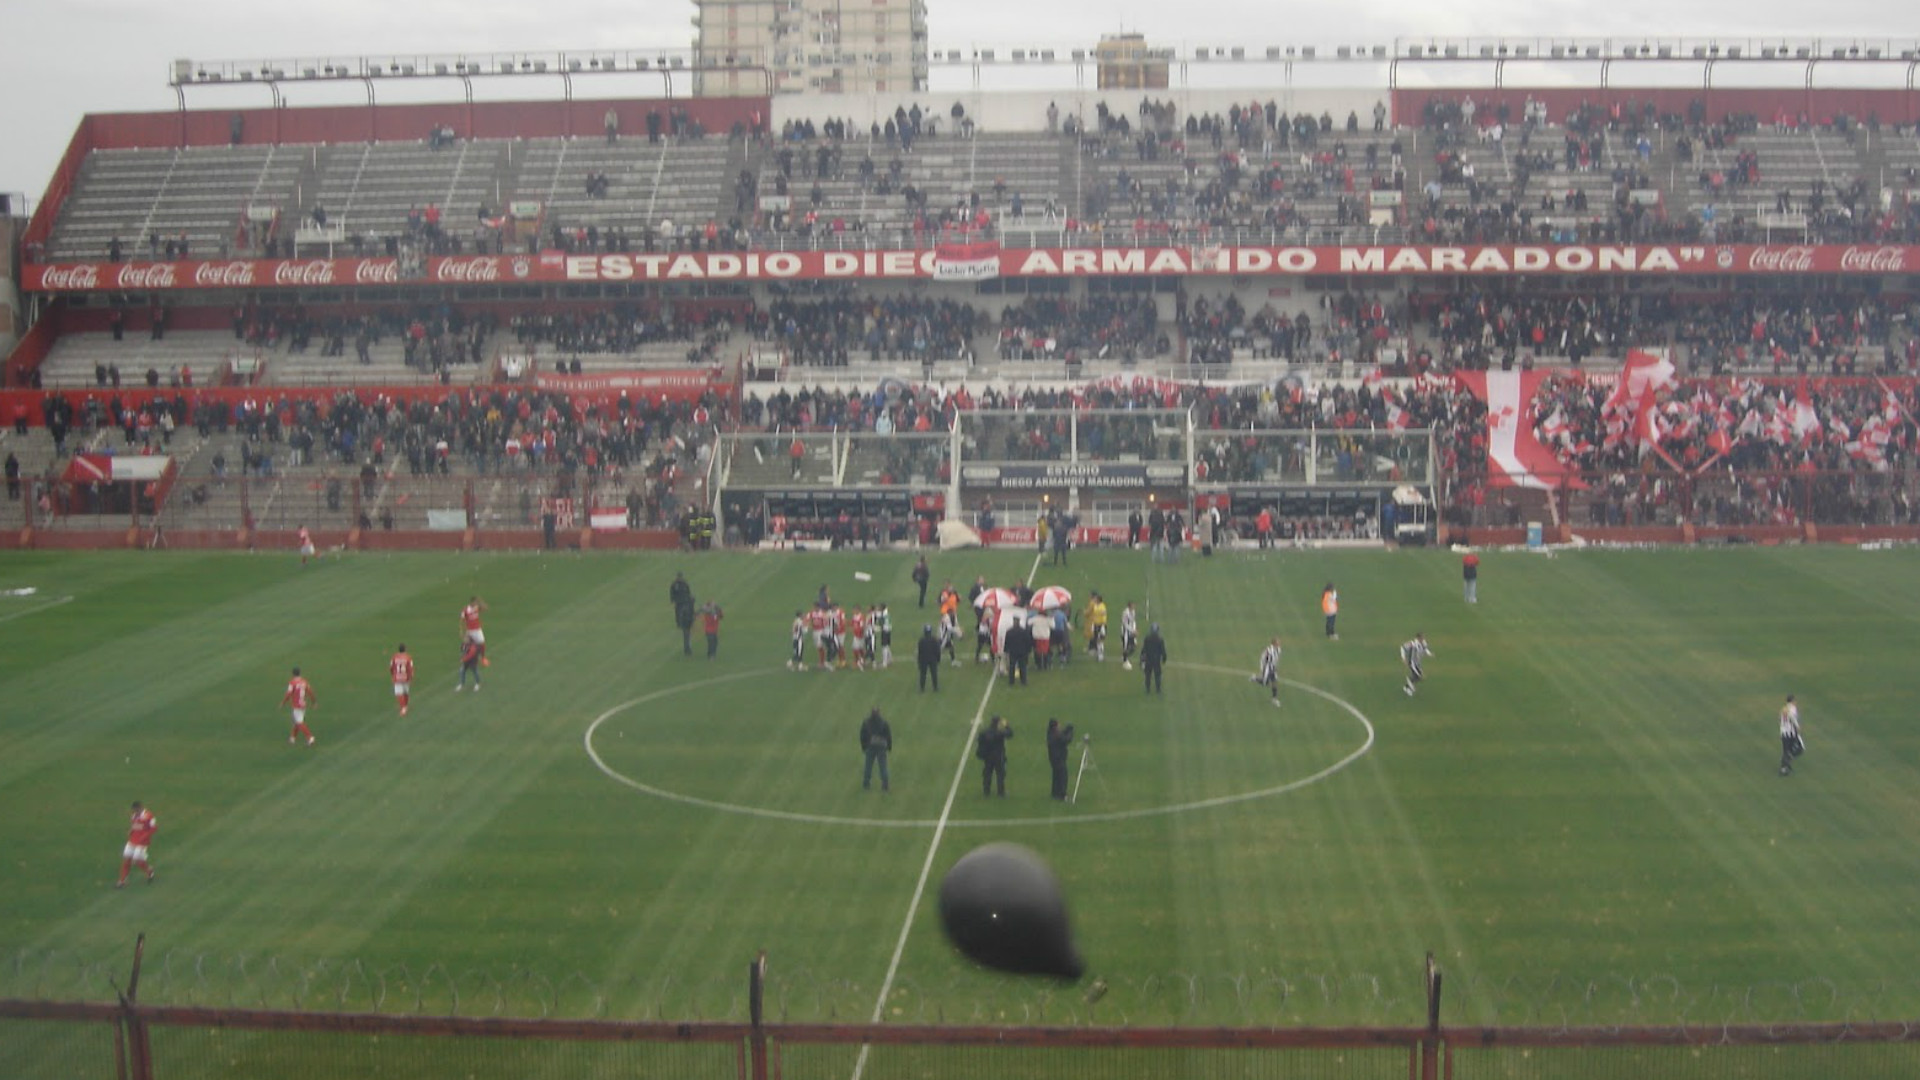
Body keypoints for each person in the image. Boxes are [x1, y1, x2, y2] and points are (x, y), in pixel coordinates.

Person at [117, 801, 157, 888]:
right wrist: (131, 830)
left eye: (136, 810)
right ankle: (122, 880)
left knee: (137, 861)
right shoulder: (134, 816)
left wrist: (144, 836)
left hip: (142, 842)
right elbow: (135, 825)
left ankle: (149, 871)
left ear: (140, 808)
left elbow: (153, 828)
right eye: (134, 811)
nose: (135, 812)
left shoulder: (149, 816)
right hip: (132, 841)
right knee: (126, 860)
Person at [977, 715, 1012, 796]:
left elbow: (979, 741)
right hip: (998, 757)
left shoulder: (985, 732)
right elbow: (1010, 734)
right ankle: (1001, 792)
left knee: (987, 774)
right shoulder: (1000, 733)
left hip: (988, 757)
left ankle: (986, 791)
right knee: (1000, 774)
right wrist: (1006, 725)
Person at [859, 708, 893, 792]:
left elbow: (862, 735)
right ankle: (885, 785)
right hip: (881, 746)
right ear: (879, 714)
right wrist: (889, 746)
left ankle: (866, 784)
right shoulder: (884, 723)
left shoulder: (866, 723)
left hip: (870, 746)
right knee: (883, 766)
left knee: (868, 766)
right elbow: (888, 735)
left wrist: (864, 746)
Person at [282, 667, 317, 745]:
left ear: (292, 674)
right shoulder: (304, 682)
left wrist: (283, 702)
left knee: (299, 722)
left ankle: (310, 737)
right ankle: (292, 738)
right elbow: (310, 692)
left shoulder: (292, 683)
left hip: (296, 705)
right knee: (296, 722)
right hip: (303, 705)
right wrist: (314, 702)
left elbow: (288, 693)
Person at [1046, 718, 1076, 800]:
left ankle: (1055, 793)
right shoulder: (1056, 735)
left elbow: (1061, 734)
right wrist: (1070, 731)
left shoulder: (1050, 733)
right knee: (1062, 777)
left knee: (1056, 776)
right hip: (1059, 759)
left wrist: (1066, 730)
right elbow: (1066, 739)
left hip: (1054, 759)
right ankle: (1062, 795)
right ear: (1055, 726)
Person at [669, 572, 695, 655]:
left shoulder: (684, 584)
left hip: (684, 602)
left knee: (686, 632)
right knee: (679, 612)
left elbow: (688, 592)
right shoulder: (674, 585)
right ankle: (679, 622)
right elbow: (672, 593)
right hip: (679, 602)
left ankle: (683, 622)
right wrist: (673, 600)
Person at [1005, 614, 1034, 686]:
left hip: (1013, 652)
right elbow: (1028, 641)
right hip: (1022, 652)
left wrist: (1006, 650)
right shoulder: (1023, 631)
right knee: (1022, 667)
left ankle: (1011, 681)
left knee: (1012, 667)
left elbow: (1007, 642)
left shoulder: (1009, 631)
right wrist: (1029, 650)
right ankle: (1023, 681)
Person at [460, 597, 489, 666]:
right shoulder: (466, 610)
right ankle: (466, 659)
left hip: (477, 629)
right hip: (470, 630)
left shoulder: (477, 608)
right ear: (471, 602)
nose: (476, 603)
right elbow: (461, 620)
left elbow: (486, 608)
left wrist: (481, 601)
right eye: (475, 602)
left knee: (482, 644)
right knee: (466, 645)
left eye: (476, 602)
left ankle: (483, 658)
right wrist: (461, 630)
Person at [1779, 695, 1804, 776]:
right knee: (1799, 748)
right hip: (1791, 732)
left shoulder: (1783, 709)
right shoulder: (1792, 708)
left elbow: (1780, 719)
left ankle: (1784, 767)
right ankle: (1786, 763)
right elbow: (1792, 717)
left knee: (1786, 750)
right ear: (1792, 701)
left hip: (1783, 732)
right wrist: (1797, 726)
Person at [1254, 637, 1283, 706]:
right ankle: (1255, 678)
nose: (1279, 644)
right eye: (1277, 643)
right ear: (1273, 644)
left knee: (1274, 682)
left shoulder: (1279, 650)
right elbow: (1262, 658)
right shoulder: (1268, 650)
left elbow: (1276, 659)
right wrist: (1262, 668)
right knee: (1265, 683)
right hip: (1267, 667)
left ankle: (1274, 699)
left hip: (1273, 668)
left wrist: (1276, 667)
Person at [1141, 623, 1168, 695]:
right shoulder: (1160, 640)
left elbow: (1144, 649)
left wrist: (1142, 659)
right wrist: (1164, 658)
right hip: (1156, 660)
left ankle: (1148, 689)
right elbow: (1163, 650)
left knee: (1148, 675)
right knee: (1157, 675)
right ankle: (1158, 689)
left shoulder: (1147, 638)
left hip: (1148, 659)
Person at [389, 643, 414, 717]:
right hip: (406, 677)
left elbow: (391, 667)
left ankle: (403, 708)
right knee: (406, 692)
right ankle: (405, 706)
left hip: (397, 677)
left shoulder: (394, 657)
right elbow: (410, 668)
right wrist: (411, 677)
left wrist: (393, 674)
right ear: (405, 649)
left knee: (399, 693)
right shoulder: (408, 657)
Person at [917, 624, 942, 691]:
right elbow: (937, 651)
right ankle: (935, 687)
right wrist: (938, 659)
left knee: (923, 674)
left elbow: (919, 652)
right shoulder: (934, 640)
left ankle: (922, 688)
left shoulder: (921, 640)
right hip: (933, 659)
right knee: (934, 673)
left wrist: (919, 661)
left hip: (923, 659)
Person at [1083, 592, 1108, 661]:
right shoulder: (1096, 606)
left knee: (1100, 641)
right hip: (1096, 625)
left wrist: (1102, 626)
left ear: (1098, 600)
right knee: (1096, 639)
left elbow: (1104, 617)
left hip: (1101, 626)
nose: (1094, 600)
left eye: (1096, 599)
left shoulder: (1102, 607)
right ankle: (1097, 652)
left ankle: (1100, 655)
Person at [1119, 601, 1140, 669]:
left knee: (1133, 646)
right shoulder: (1125, 613)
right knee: (1126, 646)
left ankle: (1124, 657)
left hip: (1131, 631)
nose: (1134, 607)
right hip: (1126, 632)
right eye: (1133, 606)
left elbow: (1133, 621)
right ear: (1129, 606)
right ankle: (1125, 661)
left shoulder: (1133, 612)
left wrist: (1134, 630)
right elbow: (1125, 624)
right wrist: (1132, 630)